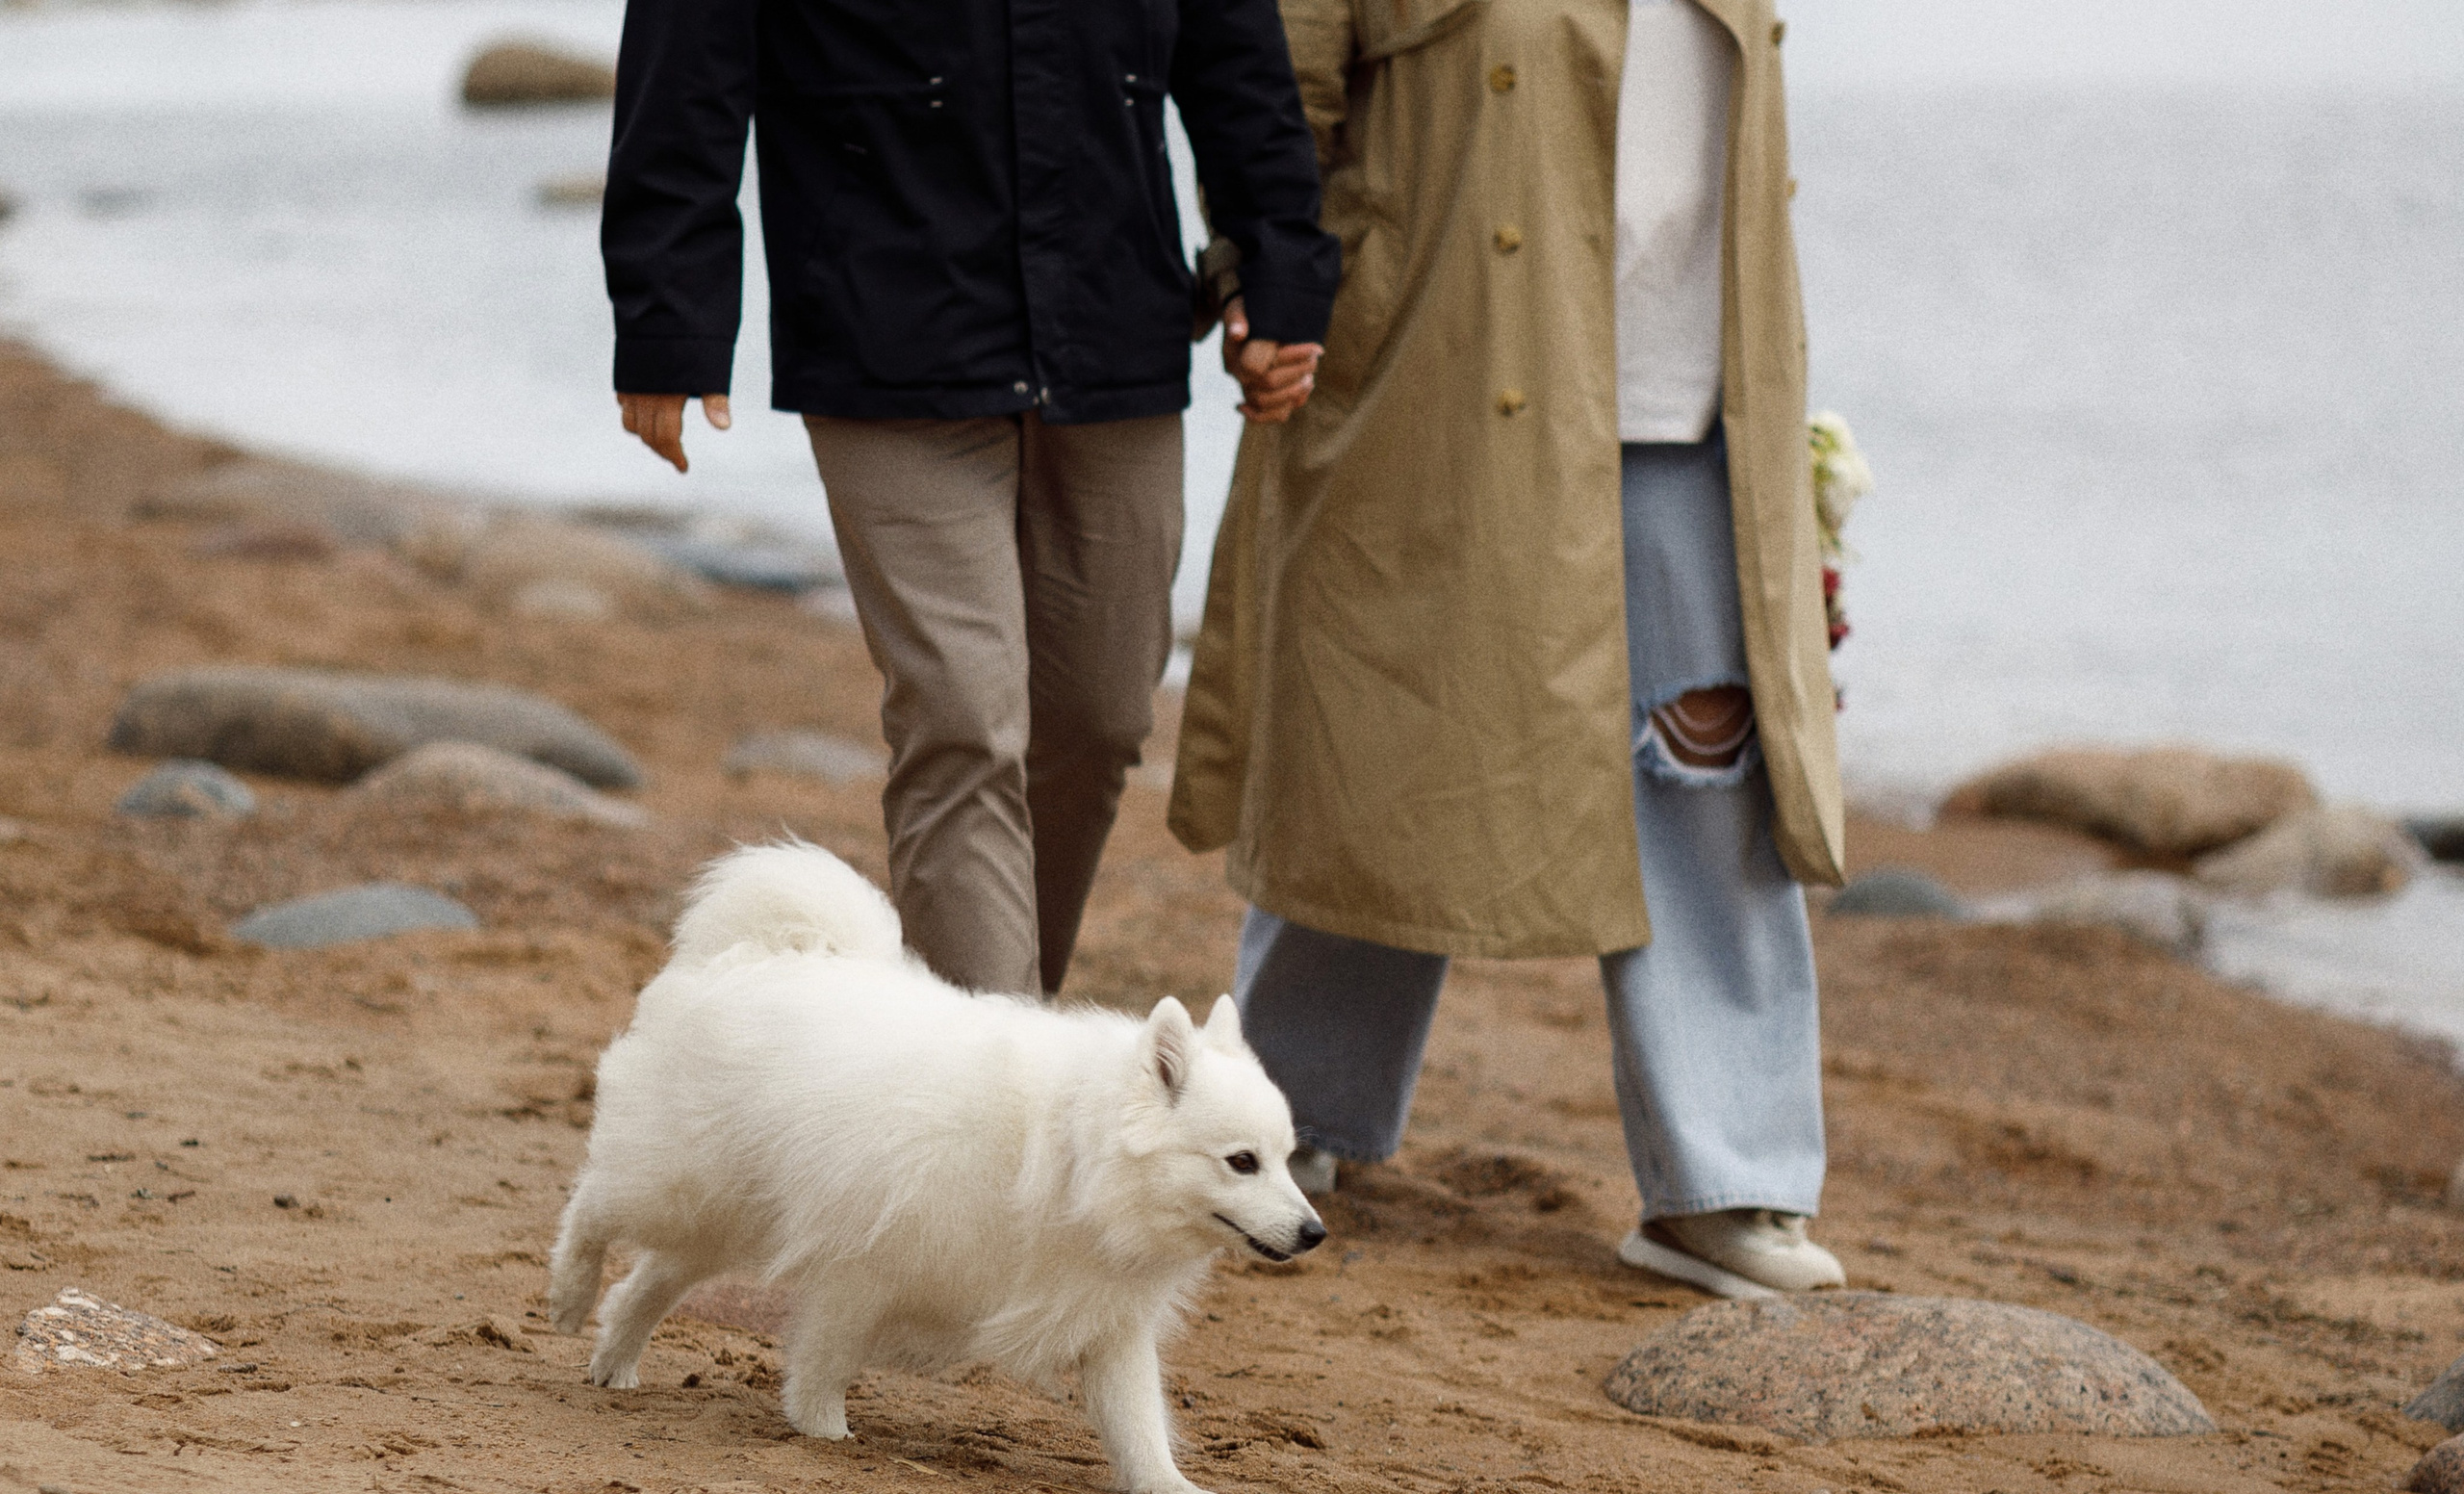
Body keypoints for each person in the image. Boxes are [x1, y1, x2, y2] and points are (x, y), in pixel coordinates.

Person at [1171, 0, 1851, 1298]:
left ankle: (1725, 1180)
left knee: (1707, 767)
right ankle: (1280, 1117)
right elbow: (1271, 96)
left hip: (1691, 398)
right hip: (1435, 372)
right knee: (1380, 732)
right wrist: (1271, 286)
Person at [601, 0, 1337, 997]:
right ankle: (991, 1098)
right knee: (963, 724)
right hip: (886, 330)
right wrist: (667, 321)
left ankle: (966, 1053)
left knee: (1101, 715)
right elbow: (686, 63)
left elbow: (1238, 60)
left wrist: (1277, 274)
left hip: (1109, 326)